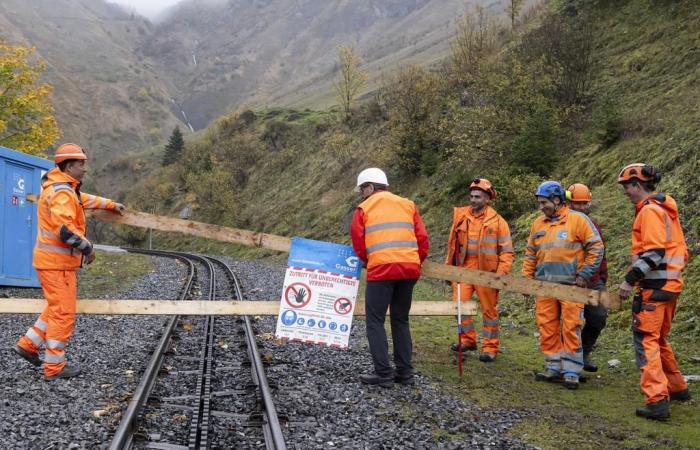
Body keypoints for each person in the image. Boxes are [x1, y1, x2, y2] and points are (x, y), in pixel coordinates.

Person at [13, 143, 125, 380]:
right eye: (81, 164)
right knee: (63, 313)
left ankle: (28, 345)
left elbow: (83, 199)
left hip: (52, 263)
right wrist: (88, 248)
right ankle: (54, 367)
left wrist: (110, 205)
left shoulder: (61, 188)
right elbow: (65, 231)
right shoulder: (62, 192)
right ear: (69, 166)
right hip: (57, 264)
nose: (85, 169)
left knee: (55, 308)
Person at [617, 163, 690, 420]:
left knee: (646, 341)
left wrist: (629, 280)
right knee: (658, 339)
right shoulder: (666, 210)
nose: (625, 192)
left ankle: (657, 400)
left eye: (626, 187)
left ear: (637, 185)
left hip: (655, 288)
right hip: (670, 286)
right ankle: (677, 387)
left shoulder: (649, 212)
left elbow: (653, 253)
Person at [350, 167, 429, 387]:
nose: (361, 195)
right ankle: (405, 373)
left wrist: (370, 262)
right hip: (409, 269)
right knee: (400, 319)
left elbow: (359, 243)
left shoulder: (363, 208)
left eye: (362, 190)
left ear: (370, 187)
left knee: (375, 320)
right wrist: (414, 261)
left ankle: (383, 374)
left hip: (382, 270)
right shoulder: (408, 204)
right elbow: (423, 240)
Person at [523, 181, 604, 389]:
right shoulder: (538, 224)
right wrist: (527, 280)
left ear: (557, 200)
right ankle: (553, 367)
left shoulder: (578, 220)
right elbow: (530, 253)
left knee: (571, 327)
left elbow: (596, 247)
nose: (542, 207)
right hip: (544, 287)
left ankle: (571, 371)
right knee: (547, 326)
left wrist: (584, 275)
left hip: (571, 287)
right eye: (540, 203)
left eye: (544, 203)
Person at [445, 178, 514, 362]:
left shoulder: (499, 222)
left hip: (488, 273)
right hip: (464, 269)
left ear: (487, 198)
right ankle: (468, 340)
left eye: (478, 196)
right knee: (460, 305)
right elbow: (452, 245)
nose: (473, 199)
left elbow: (507, 252)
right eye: (472, 196)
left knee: (489, 311)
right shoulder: (460, 217)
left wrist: (500, 275)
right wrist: (448, 270)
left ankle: (490, 347)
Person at [566, 183, 608, 372]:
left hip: (593, 281)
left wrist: (602, 276)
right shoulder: (563, 224)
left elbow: (600, 252)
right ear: (568, 203)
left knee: (598, 317)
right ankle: (569, 361)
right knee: (570, 322)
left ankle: (584, 352)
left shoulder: (593, 225)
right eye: (577, 204)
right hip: (569, 281)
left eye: (584, 204)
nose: (581, 207)